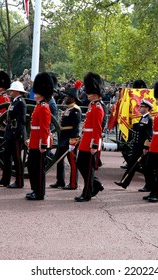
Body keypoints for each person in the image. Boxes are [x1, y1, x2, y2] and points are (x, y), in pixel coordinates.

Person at [74, 72, 105, 202]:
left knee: (87, 167)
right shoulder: (92, 106)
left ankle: (87, 193)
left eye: (90, 92)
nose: (88, 94)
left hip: (91, 141)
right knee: (81, 164)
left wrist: (94, 145)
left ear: (96, 93)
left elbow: (97, 129)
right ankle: (95, 184)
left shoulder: (98, 108)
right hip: (85, 139)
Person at [0, 81, 27, 189]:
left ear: (17, 91)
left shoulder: (20, 102)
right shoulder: (14, 101)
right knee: (7, 157)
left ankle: (19, 181)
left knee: (17, 159)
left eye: (12, 90)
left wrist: (17, 134)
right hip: (10, 132)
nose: (10, 92)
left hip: (16, 134)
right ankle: (5, 179)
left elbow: (21, 121)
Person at [26, 72, 54, 200]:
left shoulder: (44, 107)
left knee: (38, 169)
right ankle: (35, 189)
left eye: (37, 92)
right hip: (34, 141)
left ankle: (39, 192)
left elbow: (44, 128)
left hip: (39, 143)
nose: (34, 94)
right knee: (32, 167)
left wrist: (43, 144)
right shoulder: (39, 106)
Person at [114, 99, 153, 190]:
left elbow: (148, 135)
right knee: (132, 164)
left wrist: (146, 146)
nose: (140, 108)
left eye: (142, 107)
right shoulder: (143, 118)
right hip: (137, 146)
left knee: (145, 167)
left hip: (142, 147)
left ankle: (149, 185)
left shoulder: (148, 119)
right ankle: (124, 182)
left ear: (147, 108)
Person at [49, 87, 82, 190]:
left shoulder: (76, 110)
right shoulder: (68, 109)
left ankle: (73, 184)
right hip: (63, 137)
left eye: (68, 97)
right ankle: (60, 181)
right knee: (59, 160)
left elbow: (75, 126)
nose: (65, 98)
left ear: (73, 98)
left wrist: (73, 139)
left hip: (70, 138)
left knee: (72, 162)